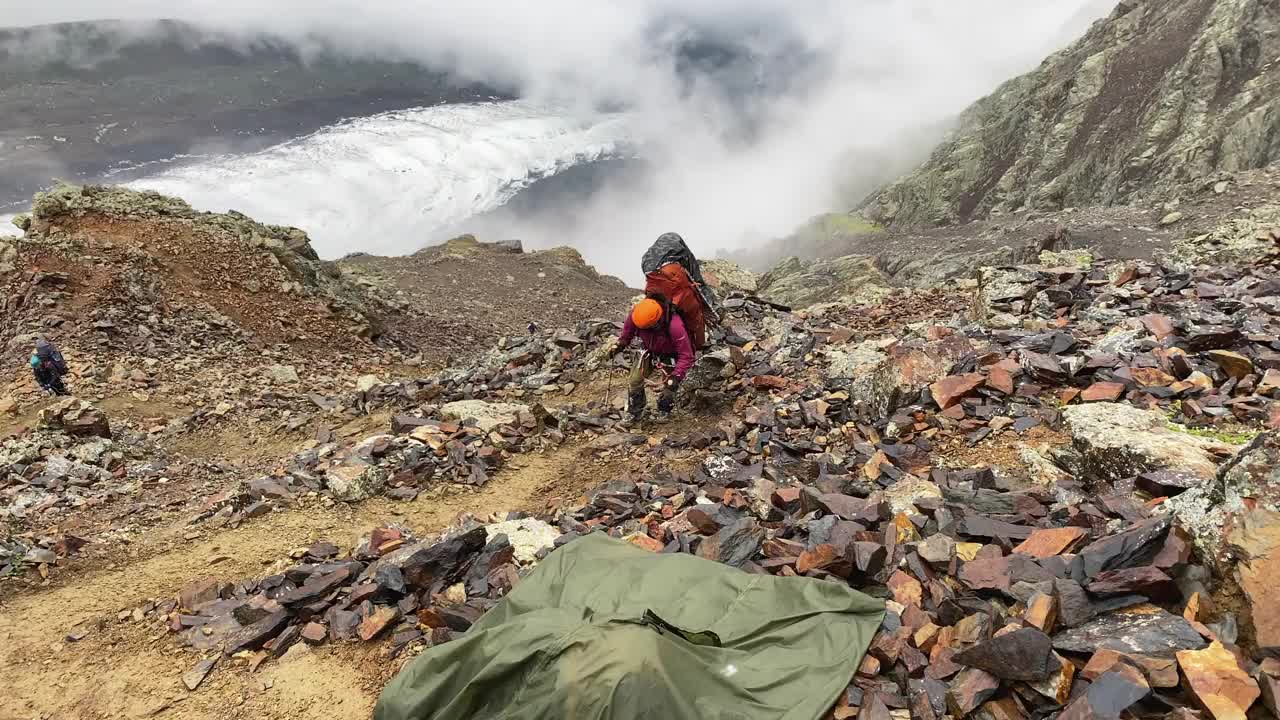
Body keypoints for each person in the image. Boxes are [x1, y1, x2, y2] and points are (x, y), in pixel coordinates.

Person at [611, 295, 695, 422]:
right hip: (648, 349)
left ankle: (664, 409)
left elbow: (686, 355)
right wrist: (620, 344)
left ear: (656, 323)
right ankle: (635, 411)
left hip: (670, 353)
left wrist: (677, 375)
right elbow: (627, 333)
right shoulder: (636, 316)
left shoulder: (675, 325)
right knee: (635, 380)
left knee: (670, 384)